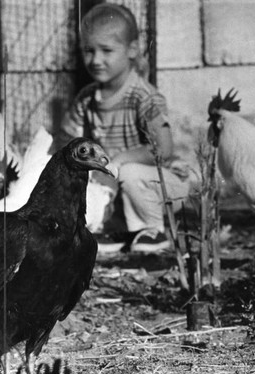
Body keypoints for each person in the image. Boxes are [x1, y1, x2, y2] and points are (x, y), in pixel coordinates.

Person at [57, 2, 193, 253]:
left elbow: (163, 149)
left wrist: (118, 160)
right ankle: (117, 230)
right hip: (116, 184)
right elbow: (66, 139)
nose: (96, 60)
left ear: (131, 49)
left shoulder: (143, 97)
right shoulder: (87, 98)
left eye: (106, 50)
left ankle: (152, 231)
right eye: (89, 51)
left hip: (158, 185)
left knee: (128, 172)